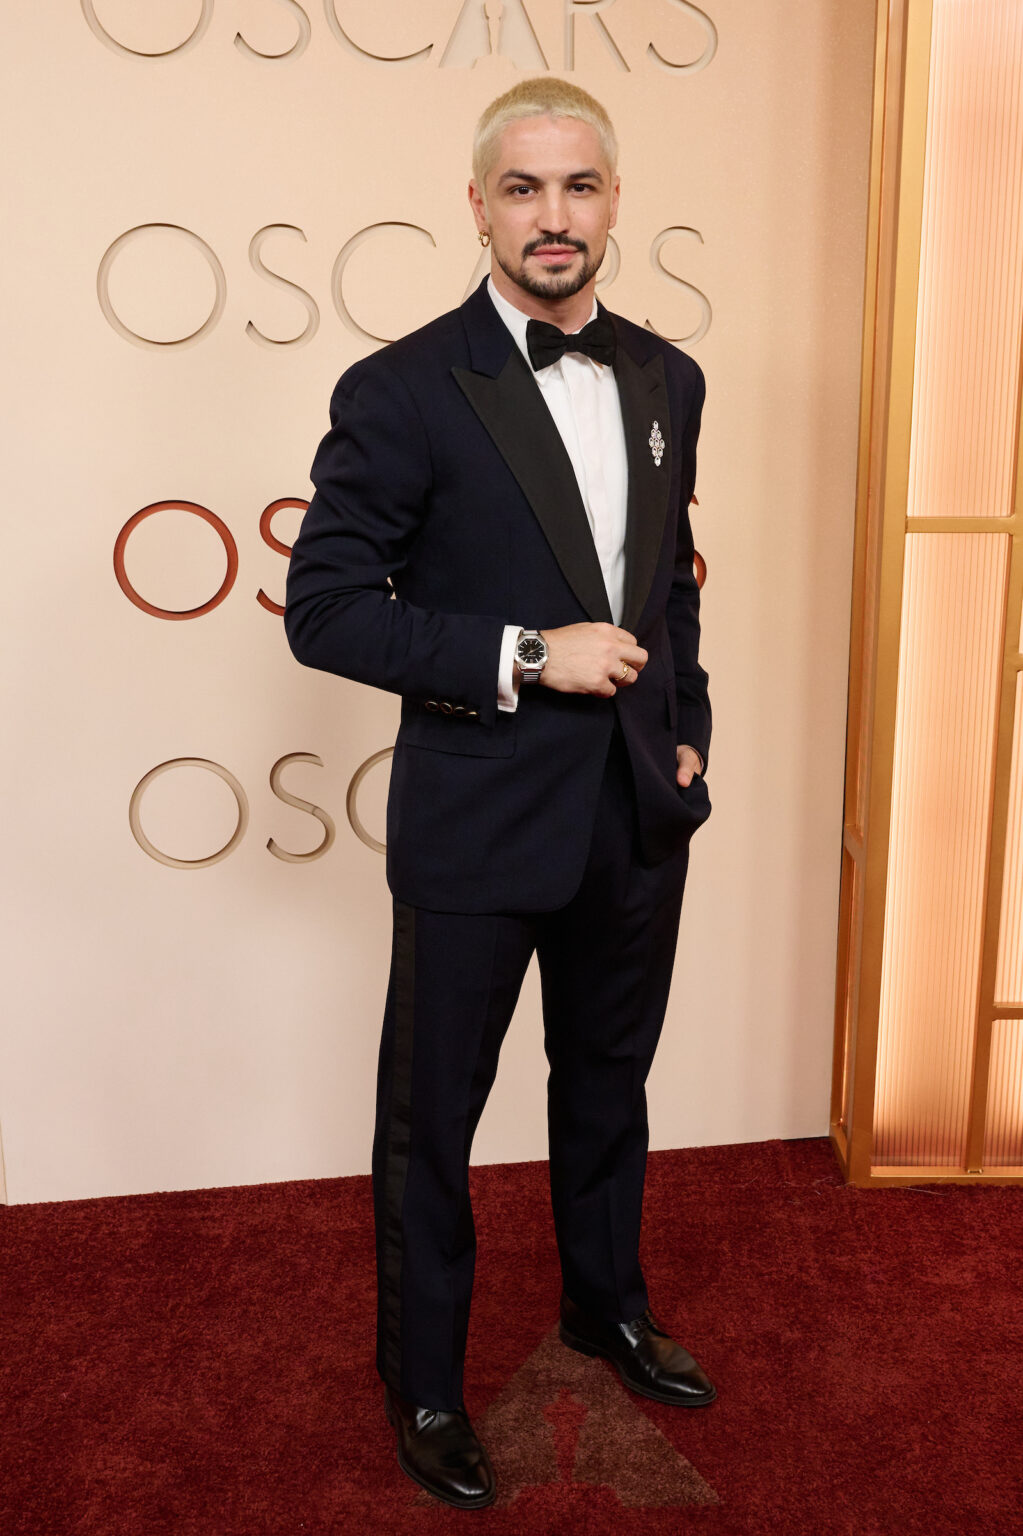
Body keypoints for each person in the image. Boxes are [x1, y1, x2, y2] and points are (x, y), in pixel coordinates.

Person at [284, 77, 715, 1511]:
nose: (553, 215)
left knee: (609, 1086)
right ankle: (424, 1383)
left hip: (634, 815)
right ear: (477, 205)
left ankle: (606, 1305)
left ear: (613, 199)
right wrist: (528, 654)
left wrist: (687, 733)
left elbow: (671, 587)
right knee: (435, 1127)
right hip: (477, 823)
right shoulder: (403, 388)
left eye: (578, 185)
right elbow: (327, 611)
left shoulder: (668, 379)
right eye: (523, 189)